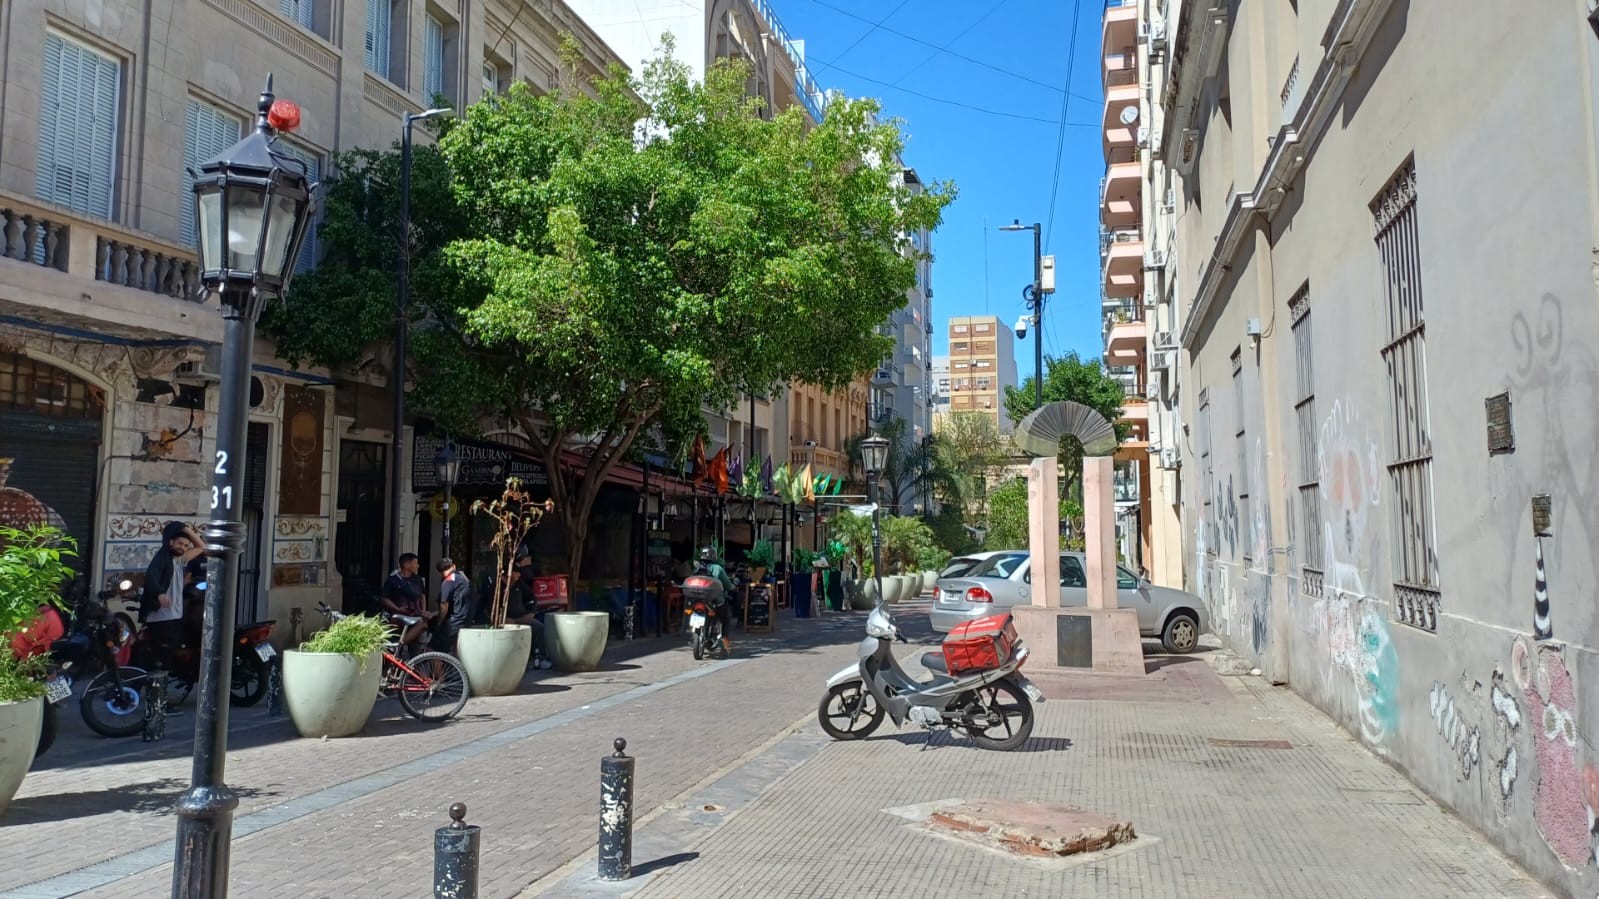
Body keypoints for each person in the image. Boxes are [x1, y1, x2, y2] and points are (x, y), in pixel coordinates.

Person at [140, 521, 205, 672]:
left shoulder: (180, 561)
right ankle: (155, 692)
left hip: (175, 616)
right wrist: (159, 593)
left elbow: (201, 547)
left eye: (185, 545)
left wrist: (187, 531)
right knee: (160, 661)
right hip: (161, 618)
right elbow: (151, 577)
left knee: (171, 658)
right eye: (179, 543)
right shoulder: (161, 559)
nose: (182, 547)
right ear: (170, 542)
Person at [381, 553, 435, 651]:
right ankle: (398, 647)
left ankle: (403, 647)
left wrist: (423, 610)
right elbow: (385, 598)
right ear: (407, 564)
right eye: (415, 563)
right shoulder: (392, 580)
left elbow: (422, 595)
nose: (418, 566)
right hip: (398, 617)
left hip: (415, 615)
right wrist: (396, 608)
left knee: (417, 644)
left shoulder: (418, 579)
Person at [504, 565, 553, 670]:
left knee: (539, 627)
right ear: (509, 573)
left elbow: (532, 597)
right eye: (516, 572)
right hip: (505, 621)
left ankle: (540, 658)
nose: (519, 575)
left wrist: (531, 612)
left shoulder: (519, 584)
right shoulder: (497, 587)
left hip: (522, 618)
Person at [697, 546, 735, 653]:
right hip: (715, 601)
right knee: (726, 619)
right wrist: (733, 587)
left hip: (699, 599)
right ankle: (724, 643)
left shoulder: (697, 568)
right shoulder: (718, 568)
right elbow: (728, 585)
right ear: (714, 556)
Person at [432, 557, 473, 654]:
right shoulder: (463, 578)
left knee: (434, 649)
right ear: (453, 566)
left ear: (440, 572)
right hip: (465, 620)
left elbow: (444, 605)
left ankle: (436, 670)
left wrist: (439, 622)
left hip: (454, 622)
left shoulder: (449, 581)